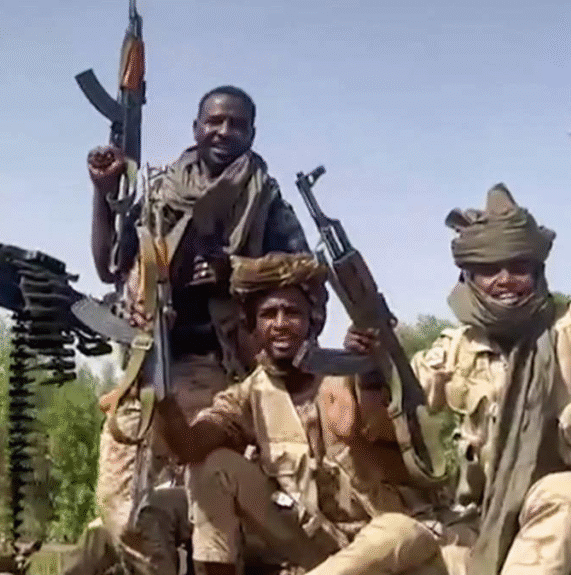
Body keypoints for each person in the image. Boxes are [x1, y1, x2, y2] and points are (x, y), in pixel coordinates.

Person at [85, 85, 314, 574]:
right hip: (150, 368)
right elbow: (110, 264)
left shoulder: (266, 201)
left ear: (251, 134)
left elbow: (305, 274)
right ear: (196, 127)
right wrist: (103, 194)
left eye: (236, 124)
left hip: (222, 368)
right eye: (214, 121)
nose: (223, 131)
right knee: (121, 512)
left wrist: (237, 270)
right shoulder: (162, 191)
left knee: (218, 512)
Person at [157, 252, 450, 575]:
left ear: (314, 320)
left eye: (292, 313)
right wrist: (156, 387)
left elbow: (393, 433)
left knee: (399, 530)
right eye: (269, 314)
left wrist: (369, 370)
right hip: (318, 549)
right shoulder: (248, 396)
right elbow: (188, 446)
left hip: (386, 544)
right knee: (209, 467)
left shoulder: (351, 370)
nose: (281, 324)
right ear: (252, 326)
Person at [352, 184, 571, 575]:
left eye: (519, 267)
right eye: (489, 270)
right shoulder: (455, 348)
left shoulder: (564, 333)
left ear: (538, 272)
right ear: (468, 276)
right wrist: (371, 361)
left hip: (552, 519)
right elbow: (398, 406)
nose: (505, 280)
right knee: (394, 544)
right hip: (477, 522)